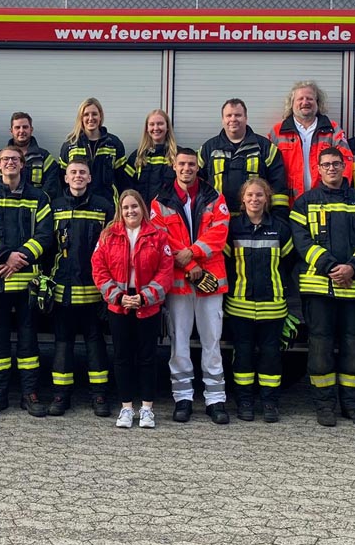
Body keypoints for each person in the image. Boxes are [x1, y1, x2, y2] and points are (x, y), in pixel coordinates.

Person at [289, 147, 355, 427]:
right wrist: (330, 267)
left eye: (336, 164)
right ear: (318, 169)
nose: (331, 169)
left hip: (354, 290)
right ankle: (324, 406)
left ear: (345, 167)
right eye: (326, 164)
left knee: (354, 349)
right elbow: (301, 241)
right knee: (320, 347)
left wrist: (353, 267)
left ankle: (353, 406)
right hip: (319, 289)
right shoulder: (304, 203)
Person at [0, 144, 55, 417]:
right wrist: (6, 256)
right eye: (5, 159)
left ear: (23, 165)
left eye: (15, 159)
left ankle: (30, 394)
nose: (10, 163)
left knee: (29, 340)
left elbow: (45, 235)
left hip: (27, 282)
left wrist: (20, 258)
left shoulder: (39, 198)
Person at [151, 147, 231, 424]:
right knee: (179, 343)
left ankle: (215, 399)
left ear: (198, 167)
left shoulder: (214, 197)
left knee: (212, 343)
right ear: (174, 166)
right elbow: (160, 238)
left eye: (191, 164)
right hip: (178, 282)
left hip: (209, 282)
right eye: (182, 164)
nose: (187, 168)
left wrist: (193, 252)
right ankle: (182, 398)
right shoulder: (160, 201)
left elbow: (219, 232)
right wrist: (189, 264)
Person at [92, 189, 175, 429]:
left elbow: (166, 271)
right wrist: (118, 297)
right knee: (122, 356)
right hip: (119, 305)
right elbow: (99, 269)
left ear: (143, 209)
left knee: (148, 357)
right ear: (120, 210)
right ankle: (126, 408)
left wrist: (145, 297)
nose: (131, 211)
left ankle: (147, 409)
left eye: (135, 207)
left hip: (147, 305)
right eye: (126, 207)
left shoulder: (158, 235)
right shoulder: (108, 235)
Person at [223, 177, 294, 423]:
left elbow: (288, 262)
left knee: (271, 355)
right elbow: (226, 264)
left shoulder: (281, 228)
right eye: (250, 195)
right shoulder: (232, 228)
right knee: (241, 353)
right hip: (240, 304)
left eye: (260, 195)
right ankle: (244, 400)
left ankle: (269, 402)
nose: (255, 199)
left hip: (273, 305)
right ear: (242, 199)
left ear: (268, 199)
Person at [48, 159, 114, 417]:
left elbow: (112, 249)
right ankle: (61, 395)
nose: (77, 176)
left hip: (94, 289)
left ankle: (99, 396)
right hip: (62, 289)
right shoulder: (55, 207)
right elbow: (47, 247)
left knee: (95, 343)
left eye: (82, 173)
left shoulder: (104, 207)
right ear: (66, 178)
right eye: (73, 172)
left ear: (89, 178)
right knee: (62, 343)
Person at [200, 98, 289, 219]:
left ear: (246, 118)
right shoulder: (208, 148)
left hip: (254, 221)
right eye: (228, 115)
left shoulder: (265, 148)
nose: (233, 119)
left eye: (238, 115)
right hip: (217, 219)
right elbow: (195, 182)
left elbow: (279, 186)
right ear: (223, 120)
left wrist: (279, 218)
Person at [269, 81, 353, 204]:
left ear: (317, 103)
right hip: (289, 204)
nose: (305, 102)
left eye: (310, 98)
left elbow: (346, 161)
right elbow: (269, 169)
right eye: (300, 99)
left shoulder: (333, 130)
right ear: (292, 103)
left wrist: (338, 195)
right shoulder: (277, 132)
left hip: (325, 202)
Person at [58, 97, 127, 202]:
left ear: (100, 116)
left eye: (94, 114)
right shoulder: (70, 145)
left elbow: (122, 179)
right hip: (79, 205)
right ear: (81, 118)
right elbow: (62, 180)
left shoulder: (114, 143)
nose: (90, 118)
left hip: (108, 204)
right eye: (86, 114)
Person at [0, 112, 62, 202]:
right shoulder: (0, 157)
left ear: (31, 129)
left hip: (34, 207)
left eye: (25, 127)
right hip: (5, 206)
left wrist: (40, 202)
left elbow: (52, 184)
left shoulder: (43, 157)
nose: (21, 131)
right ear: (11, 131)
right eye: (17, 127)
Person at [123, 109, 178, 205]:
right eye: (152, 124)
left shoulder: (177, 156)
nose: (156, 128)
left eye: (160, 124)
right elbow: (125, 185)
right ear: (147, 129)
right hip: (142, 215)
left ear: (167, 127)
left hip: (167, 215)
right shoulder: (137, 157)